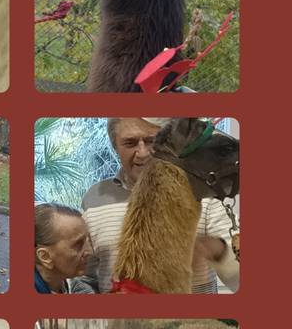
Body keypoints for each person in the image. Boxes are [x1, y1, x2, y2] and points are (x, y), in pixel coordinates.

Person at [74, 118, 239, 294]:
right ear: (115, 146)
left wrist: (218, 251)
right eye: (130, 143)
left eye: (151, 141)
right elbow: (86, 277)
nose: (143, 153)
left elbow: (239, 279)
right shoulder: (94, 198)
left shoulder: (204, 195)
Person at [34, 203, 92, 293]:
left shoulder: (71, 285)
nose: (90, 252)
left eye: (88, 241)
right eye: (78, 244)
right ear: (45, 257)